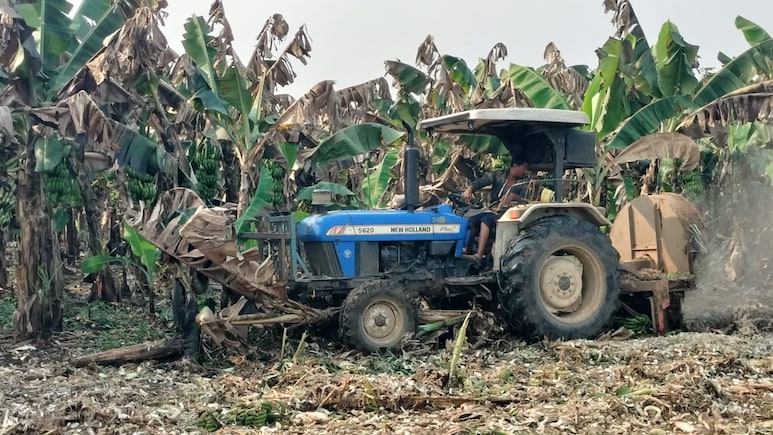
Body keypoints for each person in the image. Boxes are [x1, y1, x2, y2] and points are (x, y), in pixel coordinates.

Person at [461, 159, 529, 262]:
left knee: (486, 219)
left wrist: (514, 197)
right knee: (469, 221)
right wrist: (469, 189)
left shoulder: (523, 182)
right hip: (492, 209)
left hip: (508, 213)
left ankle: (479, 255)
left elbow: (525, 199)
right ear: (515, 166)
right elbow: (481, 182)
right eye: (523, 168)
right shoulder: (498, 175)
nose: (524, 171)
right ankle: (467, 250)